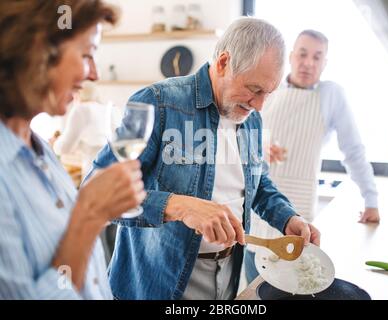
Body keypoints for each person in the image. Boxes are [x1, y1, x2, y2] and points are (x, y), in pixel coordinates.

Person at [90, 17, 321, 300]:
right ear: (223, 62)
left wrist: (288, 218)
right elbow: (96, 192)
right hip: (158, 282)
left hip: (227, 274)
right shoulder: (156, 102)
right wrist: (179, 206)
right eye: (254, 89)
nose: (260, 105)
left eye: (268, 94)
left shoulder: (250, 119)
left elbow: (257, 186)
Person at [0, 0, 145, 299]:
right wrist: (89, 214)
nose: (95, 75)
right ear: (38, 52)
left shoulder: (40, 151)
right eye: (87, 55)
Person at [244, 29, 380, 283]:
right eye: (303, 54)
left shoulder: (332, 95)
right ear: (291, 56)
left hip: (299, 206)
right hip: (258, 204)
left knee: (294, 281)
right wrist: (260, 146)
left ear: (325, 63)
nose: (308, 63)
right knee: (254, 288)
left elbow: (353, 150)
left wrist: (370, 198)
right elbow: (240, 135)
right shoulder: (268, 88)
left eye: (317, 57)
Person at [53, 81, 115, 179]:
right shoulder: (108, 109)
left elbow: (65, 147)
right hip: (114, 169)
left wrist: (54, 144)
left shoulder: (81, 109)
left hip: (93, 170)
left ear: (78, 93)